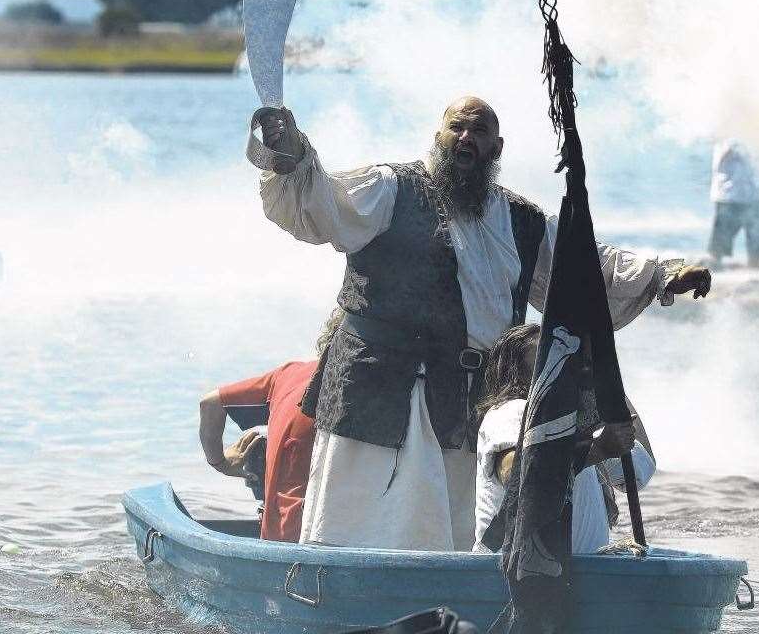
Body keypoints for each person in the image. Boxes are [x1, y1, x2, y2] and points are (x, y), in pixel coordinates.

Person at [253, 96, 709, 551]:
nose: (467, 138)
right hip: (383, 388)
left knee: (459, 527)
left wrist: (662, 274)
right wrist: (291, 154)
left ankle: (458, 604)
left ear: (498, 147)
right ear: (439, 137)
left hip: (473, 397)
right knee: (367, 517)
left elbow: (587, 265)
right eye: (458, 127)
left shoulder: (523, 221)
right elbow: (325, 204)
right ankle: (347, 597)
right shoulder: (392, 189)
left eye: (480, 131)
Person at [472, 323, 656, 553]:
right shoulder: (513, 411)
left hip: (579, 576)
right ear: (516, 372)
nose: (562, 361)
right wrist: (597, 450)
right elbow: (516, 473)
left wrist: (608, 385)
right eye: (546, 355)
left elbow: (642, 471)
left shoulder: (577, 427)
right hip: (517, 575)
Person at [198, 310, 342, 542]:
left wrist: (220, 462)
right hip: (328, 541)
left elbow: (211, 403)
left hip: (278, 539)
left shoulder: (289, 375)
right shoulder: (385, 394)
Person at [706, 139, 759, 269]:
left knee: (758, 255)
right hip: (731, 195)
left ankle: (756, 281)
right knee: (717, 251)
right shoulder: (728, 132)